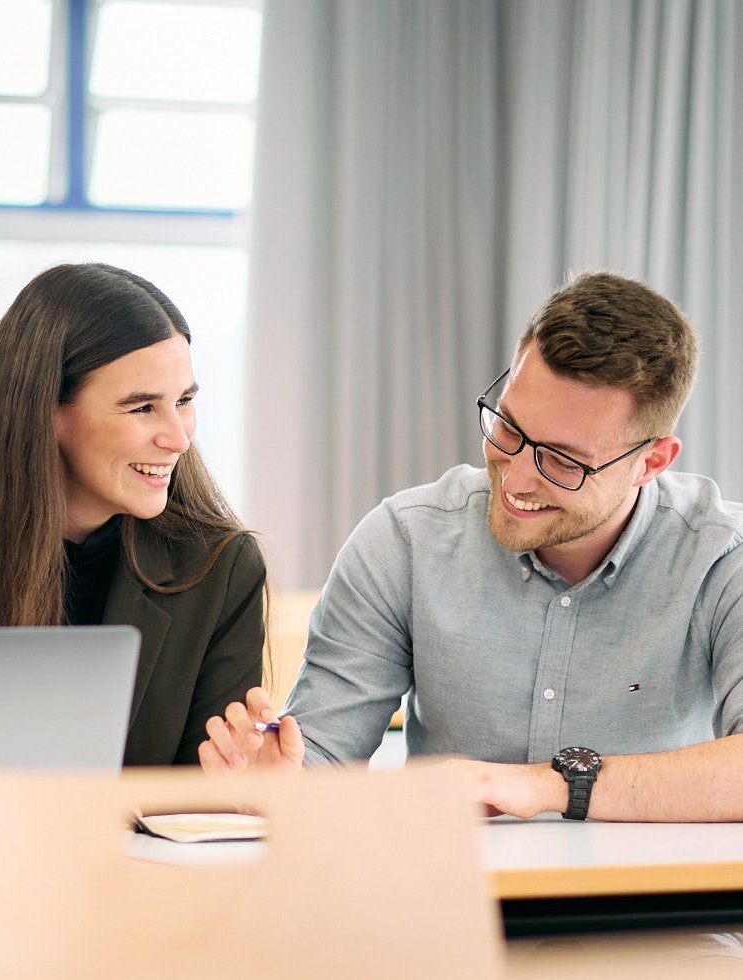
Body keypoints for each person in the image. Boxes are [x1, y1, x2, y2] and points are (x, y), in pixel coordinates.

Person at [201, 271, 743, 822]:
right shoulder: (405, 541)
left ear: (650, 463)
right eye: (508, 428)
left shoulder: (722, 558)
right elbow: (321, 756)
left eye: (562, 460)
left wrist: (551, 786)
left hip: (660, 898)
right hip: (451, 892)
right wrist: (280, 780)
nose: (516, 479)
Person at [0, 262, 266, 765]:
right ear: (46, 410)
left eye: (185, 400)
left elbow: (201, 810)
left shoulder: (221, 568)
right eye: (142, 407)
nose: (179, 436)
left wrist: (252, 788)